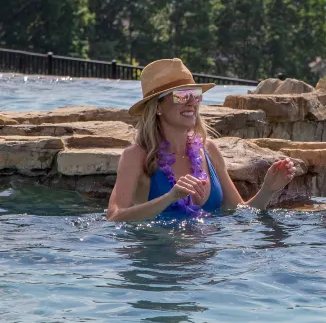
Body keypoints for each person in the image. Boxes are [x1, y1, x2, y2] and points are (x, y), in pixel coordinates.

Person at [107, 59, 296, 222]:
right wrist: (169, 198)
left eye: (195, 95)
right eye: (181, 95)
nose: (191, 102)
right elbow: (114, 216)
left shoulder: (209, 149)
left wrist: (268, 190)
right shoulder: (136, 156)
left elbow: (240, 214)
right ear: (157, 107)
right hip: (158, 260)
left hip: (207, 259)